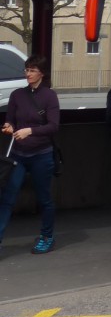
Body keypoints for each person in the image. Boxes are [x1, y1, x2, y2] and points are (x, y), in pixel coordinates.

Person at [0, 55, 60, 255]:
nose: (28, 73)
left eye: (32, 70)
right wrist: (9, 127)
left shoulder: (49, 96)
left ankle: (46, 237)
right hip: (18, 154)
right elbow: (10, 120)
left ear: (42, 73)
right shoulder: (17, 95)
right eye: (26, 70)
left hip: (41, 154)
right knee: (7, 197)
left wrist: (30, 131)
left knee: (44, 198)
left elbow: (53, 126)